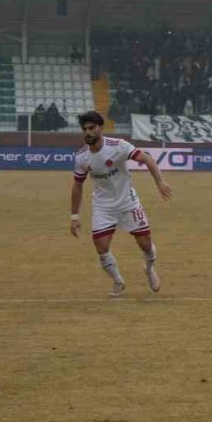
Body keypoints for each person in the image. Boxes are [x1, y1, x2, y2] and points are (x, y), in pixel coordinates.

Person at [70, 110, 174, 297]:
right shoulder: (81, 157)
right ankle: (118, 281)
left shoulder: (118, 146)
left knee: (146, 245)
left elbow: (146, 158)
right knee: (101, 248)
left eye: (91, 128)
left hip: (128, 203)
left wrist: (159, 181)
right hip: (103, 207)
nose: (87, 132)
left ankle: (149, 269)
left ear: (100, 128)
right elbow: (77, 186)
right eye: (84, 129)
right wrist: (74, 216)